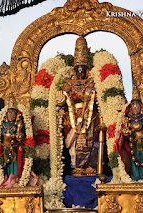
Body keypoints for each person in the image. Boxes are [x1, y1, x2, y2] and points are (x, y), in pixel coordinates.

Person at [58, 36, 100, 177]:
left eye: (83, 68)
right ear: (74, 70)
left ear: (87, 70)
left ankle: (90, 166)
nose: (81, 71)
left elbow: (98, 99)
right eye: (78, 68)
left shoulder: (92, 82)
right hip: (73, 116)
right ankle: (77, 167)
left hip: (90, 116)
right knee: (74, 142)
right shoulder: (68, 84)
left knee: (92, 140)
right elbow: (62, 100)